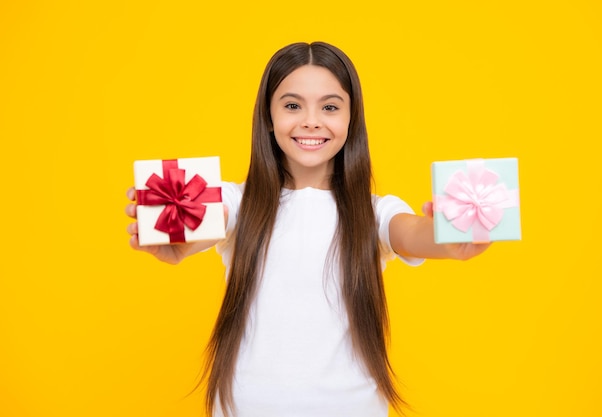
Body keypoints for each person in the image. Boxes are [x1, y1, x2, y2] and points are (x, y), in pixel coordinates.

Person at [125, 41, 490, 417]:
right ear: (268, 116)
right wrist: (173, 237)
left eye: (330, 107)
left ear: (352, 118)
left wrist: (453, 238)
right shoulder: (239, 202)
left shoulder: (374, 212)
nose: (311, 121)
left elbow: (414, 233)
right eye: (292, 105)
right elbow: (204, 220)